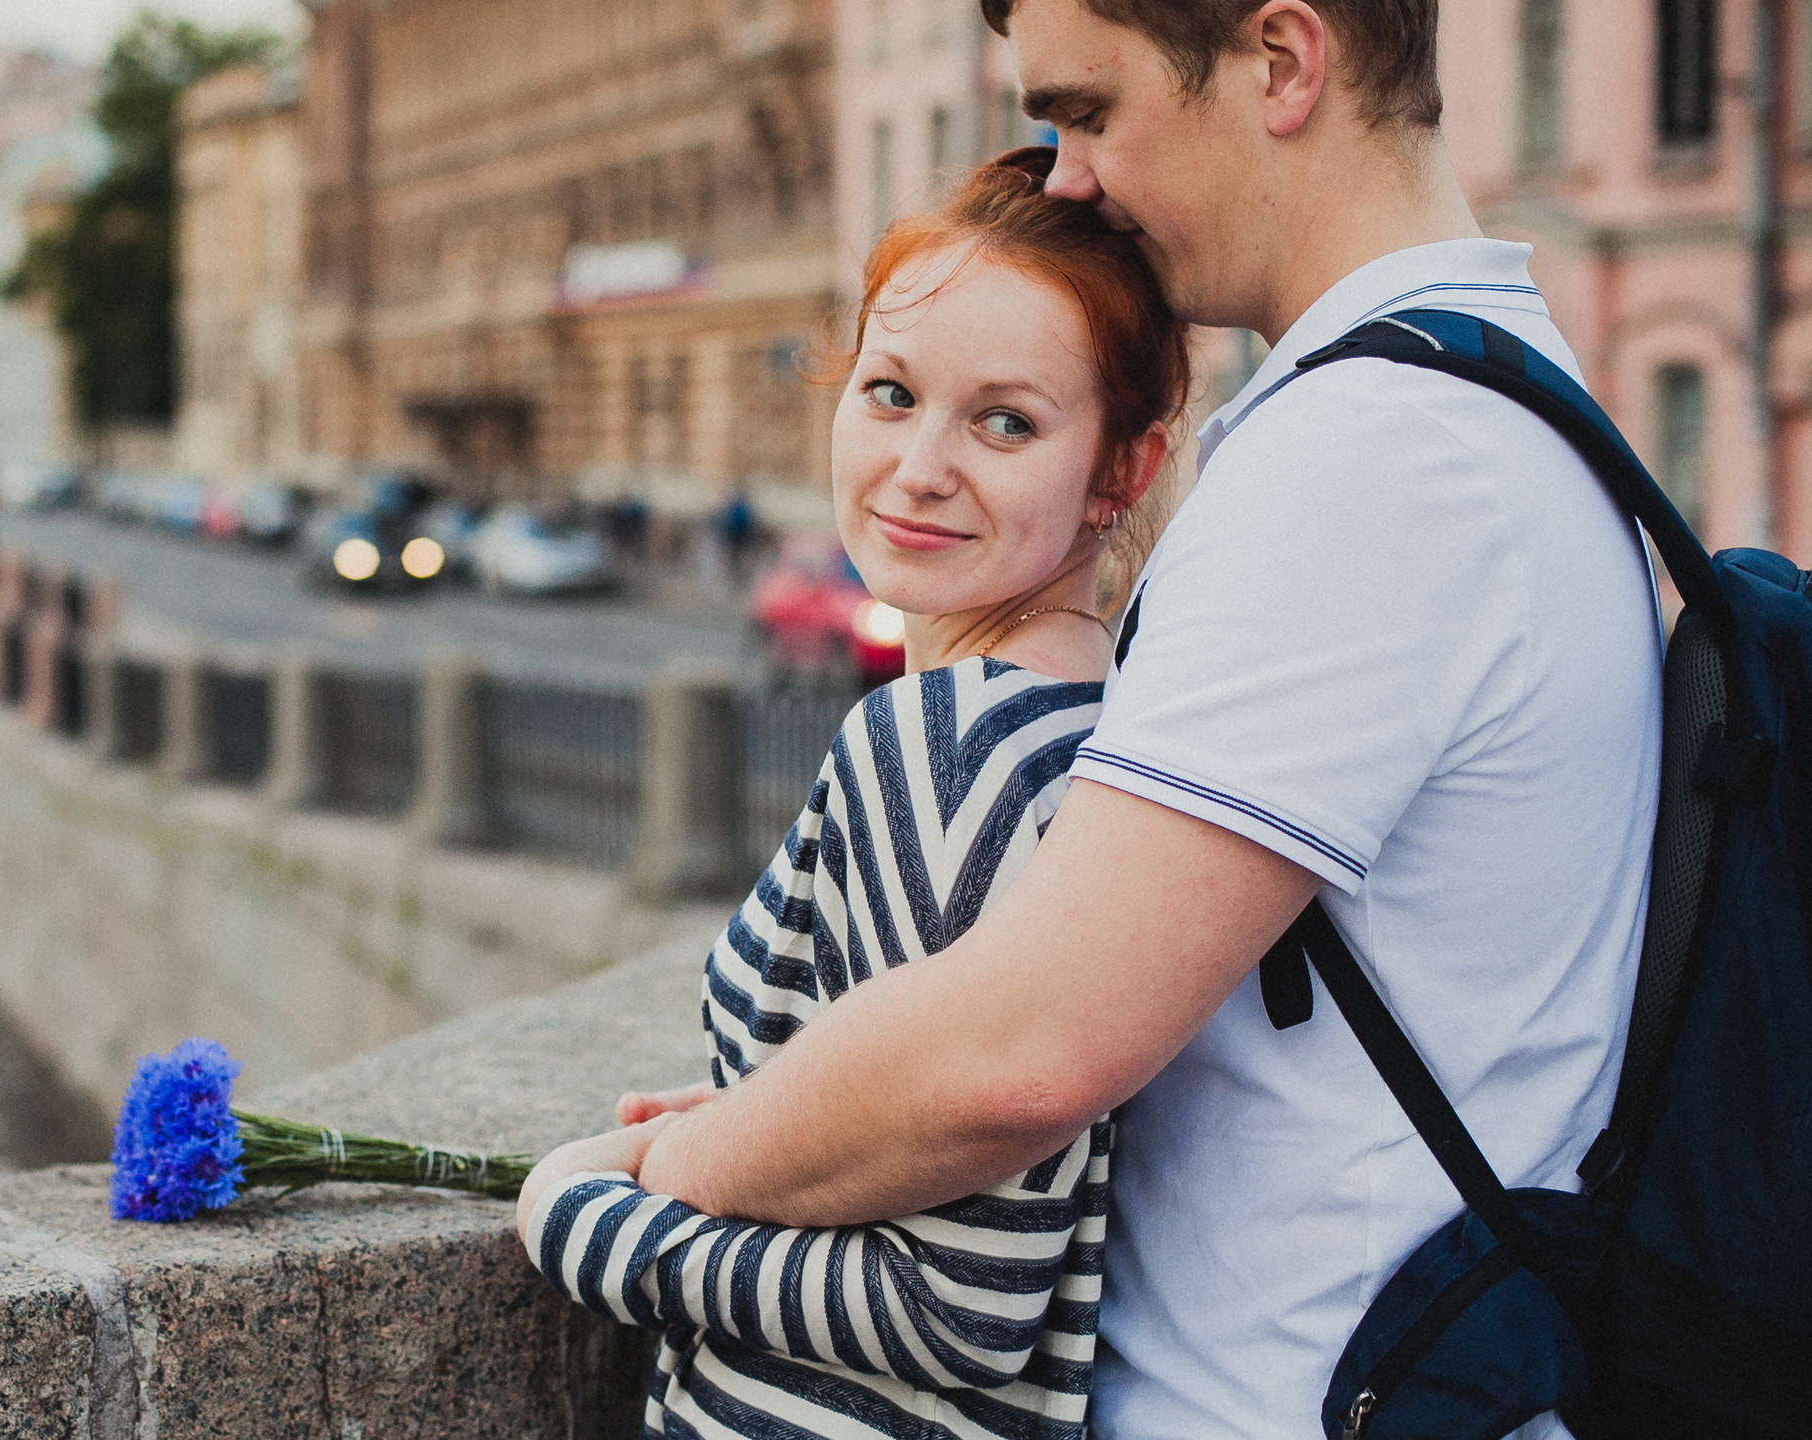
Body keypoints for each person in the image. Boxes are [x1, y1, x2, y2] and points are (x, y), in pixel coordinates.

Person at [521, 3, 1661, 1437]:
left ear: (1281, 61)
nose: (1062, 174)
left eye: (1087, 112)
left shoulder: (1384, 457)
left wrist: (642, 1179)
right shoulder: (1497, 389)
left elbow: (1019, 1057)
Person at [517, 149, 1186, 1439]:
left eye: (1006, 422)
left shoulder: (946, 746)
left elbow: (961, 1304)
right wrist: (778, 1113)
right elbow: (933, 1143)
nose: (919, 466)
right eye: (890, 393)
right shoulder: (1110, 721)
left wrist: (591, 1212)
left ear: (1120, 469)